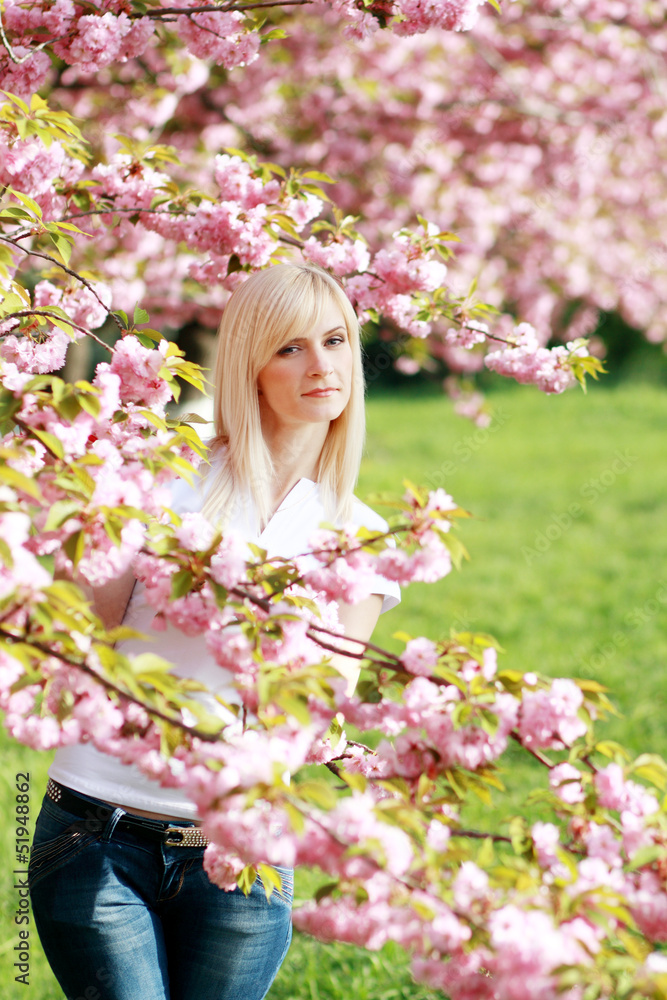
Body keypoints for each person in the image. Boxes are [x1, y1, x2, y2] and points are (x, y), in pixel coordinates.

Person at [29, 263, 400, 1000]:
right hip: (98, 838)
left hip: (243, 859)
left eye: (333, 340)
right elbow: (83, 638)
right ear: (250, 366)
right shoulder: (165, 480)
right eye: (289, 347)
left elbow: (310, 712)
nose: (320, 366)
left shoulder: (362, 539)